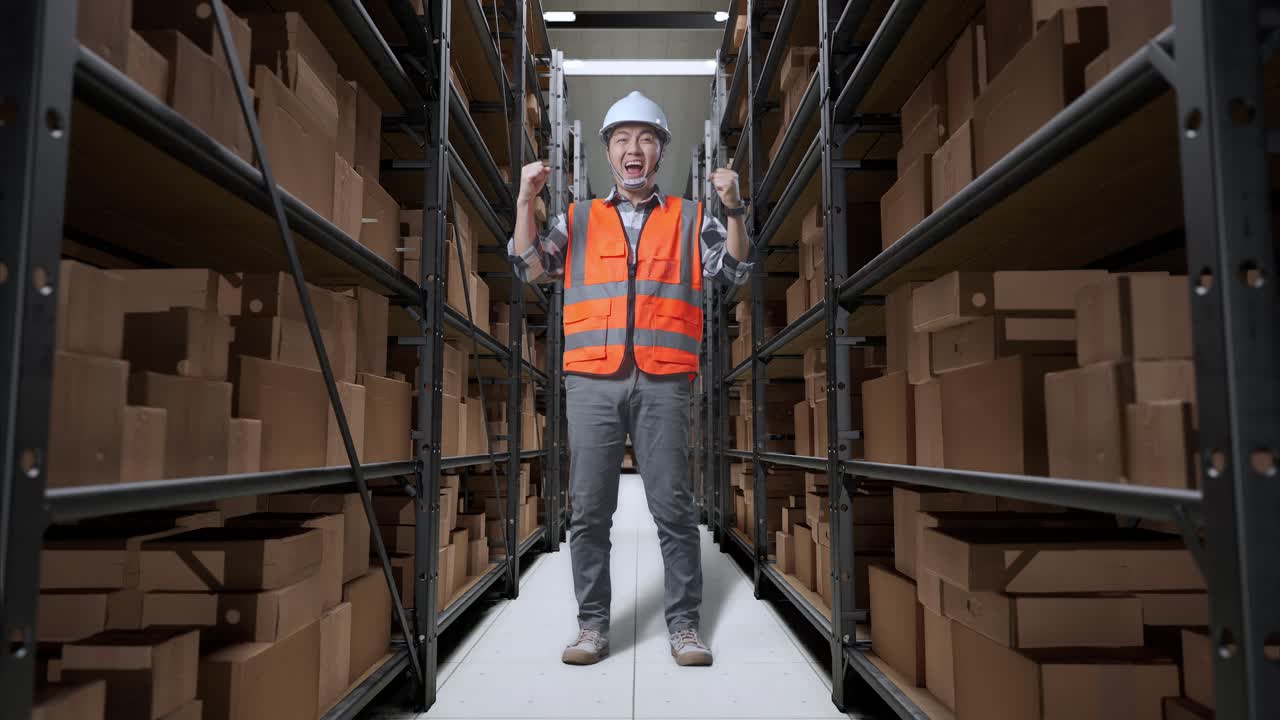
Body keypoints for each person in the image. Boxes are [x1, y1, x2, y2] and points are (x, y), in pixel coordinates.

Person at [509, 91, 750, 667]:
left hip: (664, 379)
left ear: (660, 150)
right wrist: (524, 201)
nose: (633, 148)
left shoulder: (691, 216)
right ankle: (592, 626)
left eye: (645, 138)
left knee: (674, 509)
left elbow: (735, 269)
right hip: (592, 379)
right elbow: (528, 265)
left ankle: (685, 627)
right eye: (622, 139)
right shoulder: (578, 217)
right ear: (609, 152)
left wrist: (735, 209)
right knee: (590, 511)